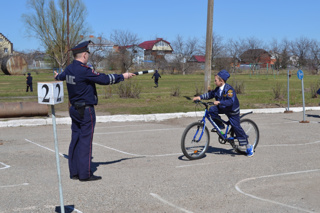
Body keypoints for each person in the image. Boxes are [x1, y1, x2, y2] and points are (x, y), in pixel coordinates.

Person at [54, 40, 135, 181]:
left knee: (75, 140)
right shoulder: (84, 70)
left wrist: (56, 76)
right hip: (85, 110)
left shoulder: (69, 68)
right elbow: (103, 79)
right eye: (88, 54)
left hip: (73, 108)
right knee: (85, 141)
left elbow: (60, 77)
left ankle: (74, 172)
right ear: (84, 55)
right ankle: (85, 174)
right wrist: (122, 76)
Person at [193, 69, 254, 157]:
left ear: (221, 81)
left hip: (232, 110)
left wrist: (220, 102)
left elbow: (230, 102)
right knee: (212, 110)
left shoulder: (229, 90)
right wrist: (200, 97)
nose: (214, 82)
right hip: (223, 108)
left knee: (236, 127)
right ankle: (220, 125)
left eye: (216, 80)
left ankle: (248, 146)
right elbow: (210, 95)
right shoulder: (218, 89)